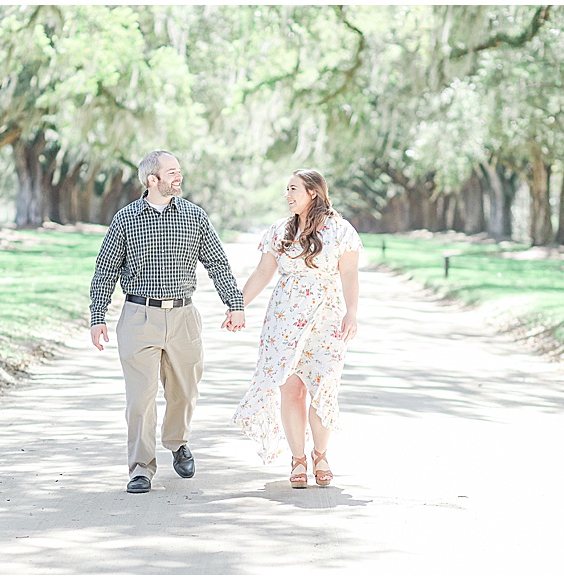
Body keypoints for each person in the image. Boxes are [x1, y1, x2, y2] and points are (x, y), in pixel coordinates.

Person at [90, 150, 245, 494]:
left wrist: (235, 304)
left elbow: (218, 263)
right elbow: (105, 270)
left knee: (185, 392)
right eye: (172, 172)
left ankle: (177, 442)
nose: (179, 177)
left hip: (183, 317)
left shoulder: (194, 216)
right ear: (152, 180)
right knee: (140, 398)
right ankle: (140, 468)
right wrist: (97, 316)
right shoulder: (126, 219)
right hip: (138, 317)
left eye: (179, 171)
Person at [229, 169, 361, 488]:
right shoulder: (280, 231)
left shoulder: (341, 231)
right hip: (285, 318)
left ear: (313, 192)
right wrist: (238, 305)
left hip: (326, 318)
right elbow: (262, 273)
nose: (287, 195)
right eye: (286, 190)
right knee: (291, 388)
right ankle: (298, 458)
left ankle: (321, 453)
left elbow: (350, 275)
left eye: (293, 189)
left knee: (323, 387)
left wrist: (352, 312)